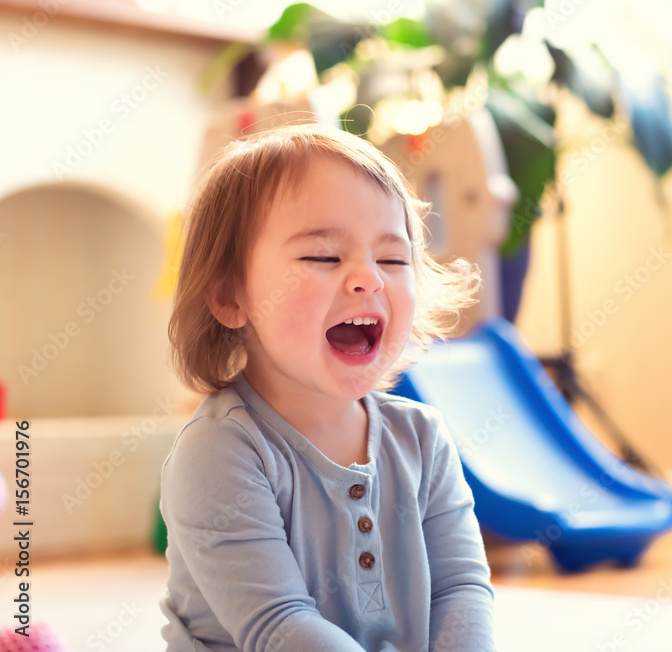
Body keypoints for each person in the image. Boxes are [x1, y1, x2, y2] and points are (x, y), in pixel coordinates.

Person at [158, 122, 496, 651]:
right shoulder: (219, 453)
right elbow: (278, 624)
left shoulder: (423, 439)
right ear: (229, 296)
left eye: (392, 258)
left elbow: (461, 588)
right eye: (322, 256)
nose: (369, 278)